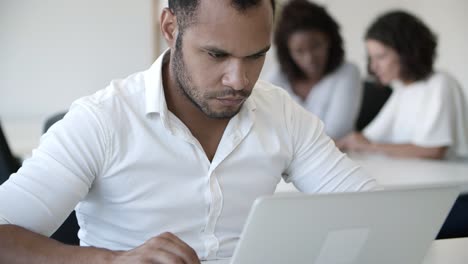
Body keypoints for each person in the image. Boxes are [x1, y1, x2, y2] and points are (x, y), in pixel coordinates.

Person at [0, 0, 377, 263]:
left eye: (256, 55)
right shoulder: (102, 120)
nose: (240, 80)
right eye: (217, 55)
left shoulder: (281, 112)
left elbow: (374, 212)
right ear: (170, 27)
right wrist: (112, 261)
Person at [338, 10, 468, 160]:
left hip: (448, 180)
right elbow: (366, 138)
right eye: (371, 58)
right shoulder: (402, 90)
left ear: (407, 53)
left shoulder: (441, 83)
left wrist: (369, 147)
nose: (373, 67)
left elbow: (433, 151)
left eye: (380, 57)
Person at [266, 0, 362, 140]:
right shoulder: (276, 78)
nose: (309, 59)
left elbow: (336, 133)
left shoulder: (347, 72)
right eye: (299, 51)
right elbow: (265, 129)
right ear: (287, 52)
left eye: (316, 46)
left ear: (329, 40)